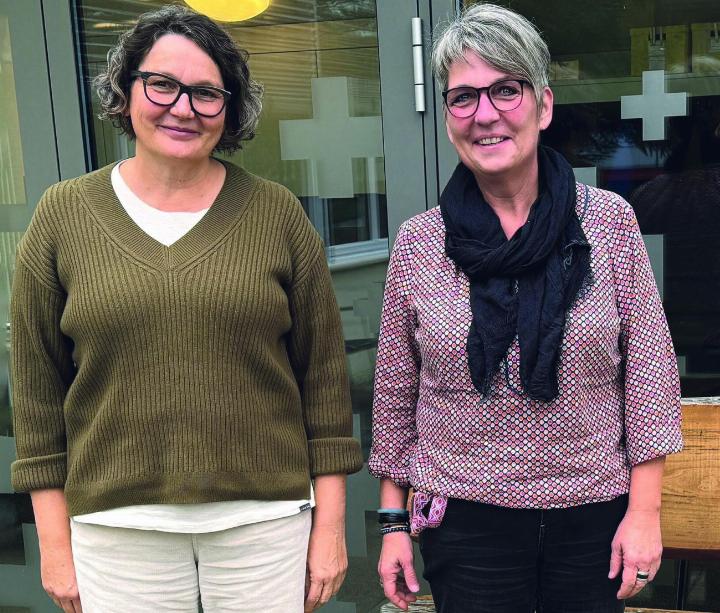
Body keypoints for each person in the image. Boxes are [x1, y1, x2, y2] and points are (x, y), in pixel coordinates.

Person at [10, 6, 362, 613]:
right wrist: (54, 543)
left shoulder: (275, 214)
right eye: (163, 85)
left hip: (264, 528)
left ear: (229, 111)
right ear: (126, 90)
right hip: (118, 533)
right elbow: (38, 393)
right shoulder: (62, 215)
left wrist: (329, 531)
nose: (183, 108)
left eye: (206, 93)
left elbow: (325, 383)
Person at [369, 4, 683, 613]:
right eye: (463, 97)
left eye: (505, 91)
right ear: (448, 116)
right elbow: (394, 397)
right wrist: (392, 524)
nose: (484, 115)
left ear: (542, 104)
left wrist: (644, 514)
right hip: (465, 524)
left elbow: (648, 374)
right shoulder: (418, 243)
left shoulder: (608, 223)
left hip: (594, 520)